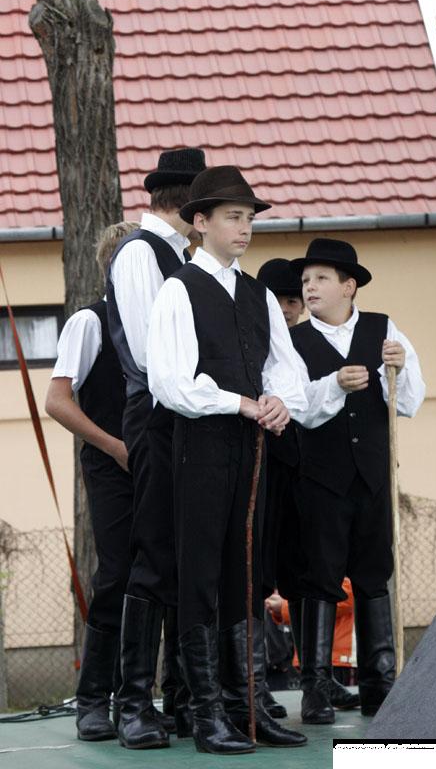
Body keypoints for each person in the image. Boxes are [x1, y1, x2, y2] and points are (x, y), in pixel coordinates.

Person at [147, 165, 308, 754]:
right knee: (200, 576)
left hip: (252, 449)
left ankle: (247, 706)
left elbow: (286, 369)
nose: (245, 228)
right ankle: (206, 713)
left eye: (248, 219)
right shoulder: (179, 289)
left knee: (245, 571)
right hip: (201, 447)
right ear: (200, 221)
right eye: (233, 218)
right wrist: (240, 402)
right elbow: (170, 381)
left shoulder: (259, 293)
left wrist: (279, 402)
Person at [289, 238, 425, 721]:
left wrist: (397, 369)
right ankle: (316, 688)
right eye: (306, 280)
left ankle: (379, 684)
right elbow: (295, 405)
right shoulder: (293, 342)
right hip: (320, 480)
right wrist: (333, 384)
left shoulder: (383, 329)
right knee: (320, 579)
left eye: (321, 278)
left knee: (373, 575)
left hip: (372, 477)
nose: (310, 288)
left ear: (348, 286)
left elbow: (409, 401)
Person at [106, 148, 206, 749]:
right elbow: (148, 354)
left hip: (186, 417)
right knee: (153, 554)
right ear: (187, 204)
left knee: (181, 554)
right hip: (156, 414)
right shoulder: (142, 254)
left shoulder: (178, 257)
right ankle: (134, 702)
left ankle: (181, 697)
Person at [45, 221, 138, 741]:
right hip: (111, 465)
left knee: (163, 579)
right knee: (117, 574)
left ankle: (141, 698)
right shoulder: (89, 321)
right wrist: (114, 446)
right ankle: (93, 699)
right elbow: (57, 401)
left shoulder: (164, 321)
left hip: (161, 465)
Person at [257, 258, 360, 714]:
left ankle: (316, 679)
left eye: (292, 301)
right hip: (264, 469)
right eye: (276, 301)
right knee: (260, 575)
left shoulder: (303, 344)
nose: (285, 309)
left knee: (308, 571)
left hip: (305, 471)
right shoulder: (253, 341)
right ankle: (254, 685)